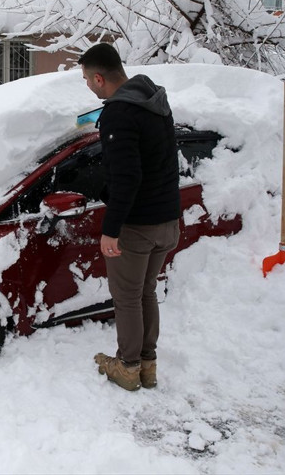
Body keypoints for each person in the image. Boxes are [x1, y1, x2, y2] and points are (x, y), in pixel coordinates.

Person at [78, 43, 181, 391]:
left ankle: (128, 366)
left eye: (86, 80)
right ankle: (146, 365)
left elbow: (127, 178)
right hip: (167, 220)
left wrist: (112, 229)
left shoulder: (120, 114)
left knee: (127, 297)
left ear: (98, 77)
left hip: (138, 225)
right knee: (145, 292)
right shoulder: (154, 103)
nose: (88, 86)